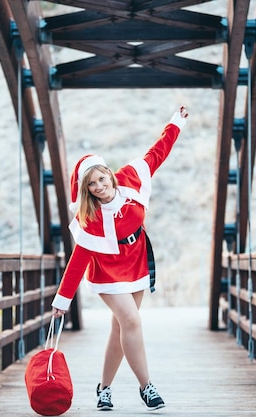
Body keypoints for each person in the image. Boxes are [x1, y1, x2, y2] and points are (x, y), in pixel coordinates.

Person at [51, 105, 189, 411]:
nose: (99, 186)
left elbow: (158, 152)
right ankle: (146, 386)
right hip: (108, 271)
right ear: (87, 190)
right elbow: (78, 259)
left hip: (137, 259)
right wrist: (62, 300)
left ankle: (104, 388)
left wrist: (175, 123)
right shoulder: (91, 218)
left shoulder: (131, 178)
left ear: (108, 173)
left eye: (101, 178)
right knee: (131, 320)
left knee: (120, 328)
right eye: (92, 185)